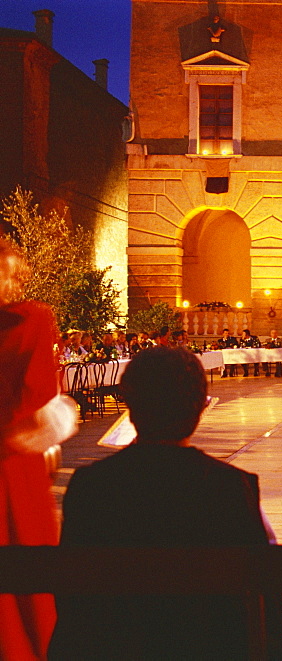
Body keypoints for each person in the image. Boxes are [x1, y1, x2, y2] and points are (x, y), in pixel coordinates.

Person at [49, 347, 282, 660]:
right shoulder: (229, 487)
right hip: (207, 645)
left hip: (116, 645)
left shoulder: (91, 486)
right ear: (200, 409)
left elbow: (73, 595)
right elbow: (265, 588)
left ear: (131, 406)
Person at [0, 239, 76, 661]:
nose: (17, 285)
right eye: (12, 276)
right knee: (25, 589)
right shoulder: (29, 320)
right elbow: (39, 402)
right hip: (12, 471)